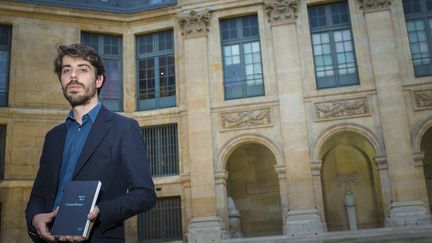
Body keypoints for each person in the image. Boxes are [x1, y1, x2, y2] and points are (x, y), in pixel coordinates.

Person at [25, 43, 156, 243]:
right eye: (66, 70)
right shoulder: (53, 137)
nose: (73, 76)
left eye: (82, 69)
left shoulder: (123, 129)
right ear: (61, 80)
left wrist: (99, 212)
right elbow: (38, 195)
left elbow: (145, 195)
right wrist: (35, 218)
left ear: (99, 80)